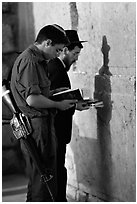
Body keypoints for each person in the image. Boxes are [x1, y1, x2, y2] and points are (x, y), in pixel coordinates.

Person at [10, 24, 78, 202]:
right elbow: (32, 100)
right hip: (36, 126)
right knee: (44, 180)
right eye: (57, 50)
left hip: (40, 125)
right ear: (47, 43)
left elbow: (39, 94)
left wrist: (58, 95)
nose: (58, 54)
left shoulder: (36, 60)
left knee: (44, 179)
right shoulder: (31, 61)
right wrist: (58, 104)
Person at [47, 30, 90, 201]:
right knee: (57, 171)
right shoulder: (56, 69)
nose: (76, 58)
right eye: (75, 53)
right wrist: (75, 106)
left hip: (56, 132)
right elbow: (54, 104)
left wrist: (76, 104)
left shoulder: (55, 67)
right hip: (56, 131)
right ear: (64, 50)